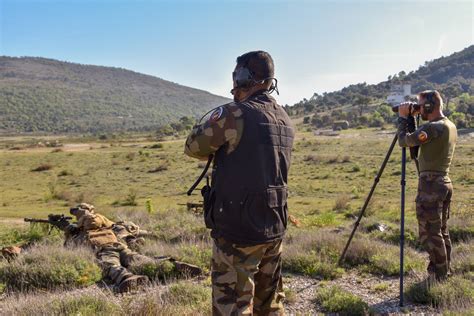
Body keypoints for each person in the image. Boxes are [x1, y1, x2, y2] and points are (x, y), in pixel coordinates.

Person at [185, 51, 294, 315]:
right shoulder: (283, 118)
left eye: (236, 76)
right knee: (270, 305)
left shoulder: (234, 114)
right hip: (274, 223)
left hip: (239, 228)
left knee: (233, 304)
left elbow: (193, 147)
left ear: (245, 77)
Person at [61, 203, 202, 292]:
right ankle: (174, 264)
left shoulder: (78, 231)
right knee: (142, 259)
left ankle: (127, 278)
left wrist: (68, 232)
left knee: (111, 266)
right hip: (120, 246)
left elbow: (69, 248)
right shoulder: (106, 223)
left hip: (103, 249)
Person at [397, 90, 457, 281]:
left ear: (430, 106)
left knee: (429, 234)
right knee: (441, 231)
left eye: (421, 105)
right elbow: (416, 147)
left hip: (431, 185)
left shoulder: (434, 128)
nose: (419, 109)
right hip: (443, 182)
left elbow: (404, 141)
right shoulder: (448, 125)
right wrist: (412, 119)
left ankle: (439, 277)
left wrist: (402, 118)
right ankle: (443, 271)